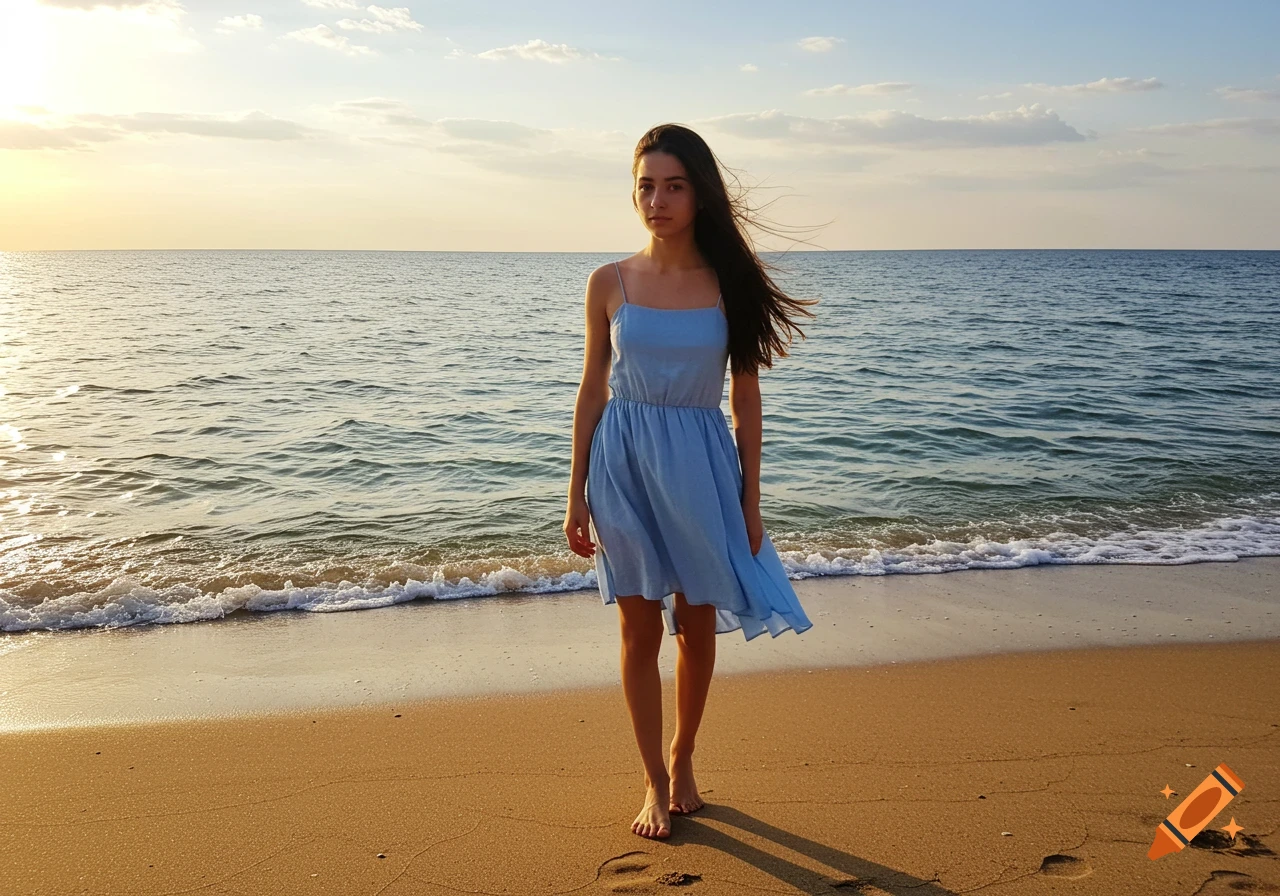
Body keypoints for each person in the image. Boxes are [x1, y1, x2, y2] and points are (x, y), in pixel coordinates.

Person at [563, 123, 818, 841]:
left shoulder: (727, 285)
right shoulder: (608, 282)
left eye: (674, 186)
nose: (658, 199)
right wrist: (574, 491)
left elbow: (744, 399)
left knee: (697, 618)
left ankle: (683, 758)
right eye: (646, 185)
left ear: (700, 195)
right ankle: (650, 779)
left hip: (702, 460)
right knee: (638, 626)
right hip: (624, 461)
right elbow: (591, 389)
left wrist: (751, 499)